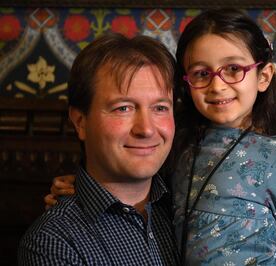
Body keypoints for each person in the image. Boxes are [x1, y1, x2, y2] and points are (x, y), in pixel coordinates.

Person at [45, 9, 276, 265]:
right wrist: (80, 186)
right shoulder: (179, 147)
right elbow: (132, 190)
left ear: (263, 76)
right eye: (201, 73)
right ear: (186, 83)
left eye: (233, 69)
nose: (217, 86)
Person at [19, 32, 179, 265]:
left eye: (160, 108)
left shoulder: (188, 206)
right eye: (123, 108)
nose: (146, 129)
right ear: (80, 122)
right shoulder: (53, 243)